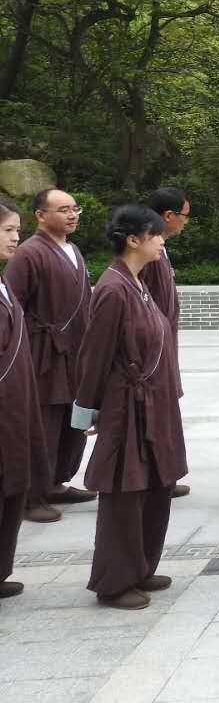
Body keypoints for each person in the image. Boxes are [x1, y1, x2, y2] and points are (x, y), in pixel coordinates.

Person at [71, 204, 187, 610]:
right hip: (126, 405)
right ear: (134, 239)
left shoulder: (138, 282)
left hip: (152, 402)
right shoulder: (112, 288)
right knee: (124, 491)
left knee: (156, 486)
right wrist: (87, 408)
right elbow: (95, 354)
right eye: (155, 235)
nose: (161, 241)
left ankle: (140, 565)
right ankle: (114, 579)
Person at [5, 188, 93, 523]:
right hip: (44, 353)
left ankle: (57, 482)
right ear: (41, 215)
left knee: (72, 421)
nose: (72, 215)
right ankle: (31, 493)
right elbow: (14, 306)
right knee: (46, 423)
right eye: (63, 210)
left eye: (75, 209)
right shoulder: (29, 253)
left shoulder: (73, 250)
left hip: (74, 351)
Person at [0, 197, 47, 600]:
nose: (17, 238)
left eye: (16, 229)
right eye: (8, 230)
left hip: (16, 399)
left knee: (12, 483)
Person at [141, 186, 192, 499]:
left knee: (166, 411)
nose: (186, 222)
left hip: (164, 346)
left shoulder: (159, 250)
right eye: (184, 216)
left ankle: (164, 475)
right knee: (155, 412)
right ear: (168, 216)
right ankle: (156, 476)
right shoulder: (148, 255)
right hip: (151, 352)